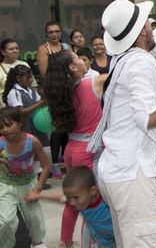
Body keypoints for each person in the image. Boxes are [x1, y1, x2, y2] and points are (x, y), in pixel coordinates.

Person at [86, 0, 156, 247]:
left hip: (117, 172)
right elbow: (146, 118)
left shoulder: (125, 58)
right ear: (143, 30)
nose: (152, 28)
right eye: (148, 24)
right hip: (133, 177)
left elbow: (151, 45)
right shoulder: (141, 64)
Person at [42, 50, 107, 247]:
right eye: (78, 58)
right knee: (92, 206)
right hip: (90, 153)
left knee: (73, 202)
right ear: (72, 67)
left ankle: (66, 240)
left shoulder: (62, 94)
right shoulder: (93, 84)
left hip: (72, 150)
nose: (81, 60)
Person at [0, 107, 50, 248]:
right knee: (6, 221)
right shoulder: (1, 142)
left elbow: (46, 166)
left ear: (20, 122)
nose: (5, 130)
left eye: (8, 125)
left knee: (34, 219)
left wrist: (37, 189)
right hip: (6, 185)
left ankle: (37, 242)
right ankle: (6, 245)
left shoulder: (32, 142)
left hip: (28, 184)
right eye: (1, 127)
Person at [38, 166, 115, 247]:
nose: (71, 202)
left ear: (92, 191)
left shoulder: (107, 202)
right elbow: (60, 198)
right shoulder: (81, 201)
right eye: (68, 198)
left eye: (76, 198)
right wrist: (38, 196)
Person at [0, 39, 38, 105]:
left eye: (16, 48)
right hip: (6, 107)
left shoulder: (24, 64)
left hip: (28, 104)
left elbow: (34, 85)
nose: (15, 51)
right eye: (11, 49)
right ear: (3, 52)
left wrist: (35, 102)